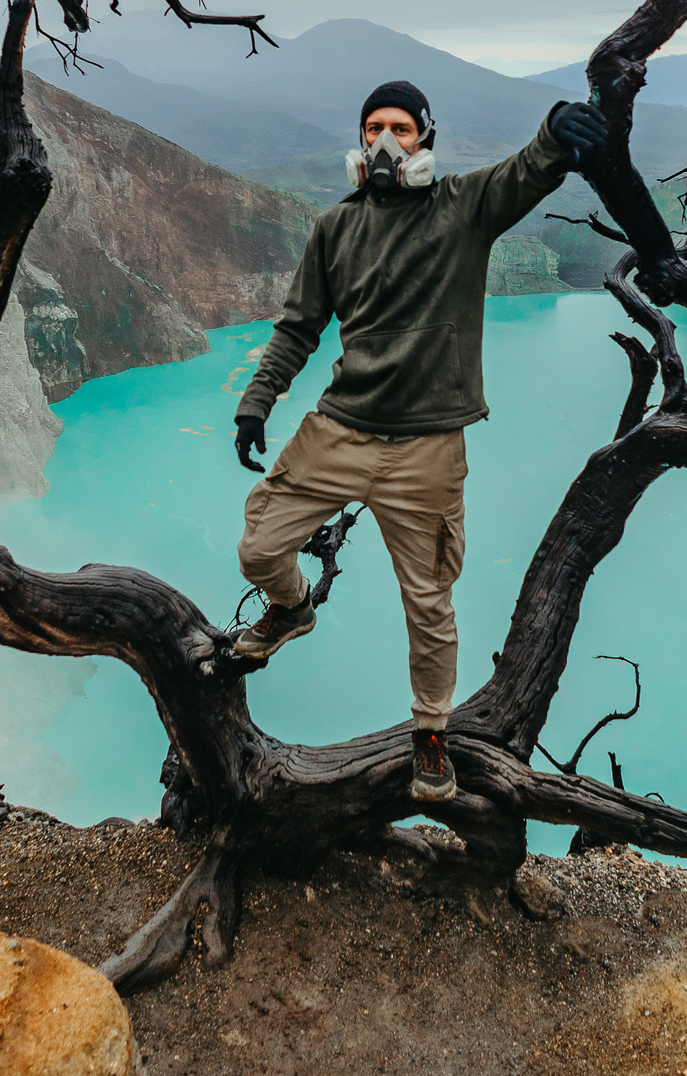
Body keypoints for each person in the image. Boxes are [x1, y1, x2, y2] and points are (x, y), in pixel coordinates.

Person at [227, 79, 607, 802]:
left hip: (428, 448)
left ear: (426, 140)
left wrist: (558, 128)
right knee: (258, 547)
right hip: (340, 427)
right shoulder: (335, 229)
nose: (384, 143)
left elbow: (526, 168)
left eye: (400, 128)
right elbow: (298, 326)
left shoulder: (462, 209)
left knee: (428, 600)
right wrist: (256, 401)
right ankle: (292, 605)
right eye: (373, 127)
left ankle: (430, 730)